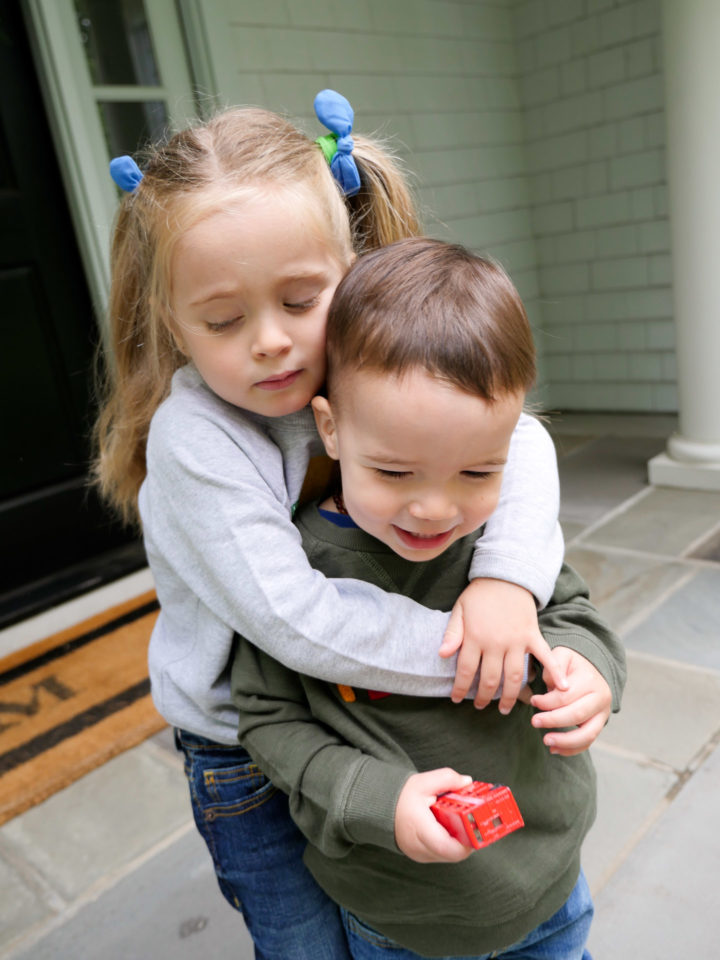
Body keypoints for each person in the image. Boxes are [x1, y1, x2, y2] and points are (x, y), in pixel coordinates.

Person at [94, 91, 567, 958]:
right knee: (308, 944)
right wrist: (474, 657)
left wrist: (507, 585)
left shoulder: (370, 347)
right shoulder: (197, 438)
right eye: (225, 320)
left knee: (388, 907)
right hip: (245, 737)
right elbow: (294, 619)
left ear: (350, 263)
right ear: (173, 321)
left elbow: (520, 435)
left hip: (354, 701)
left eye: (301, 299)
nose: (271, 342)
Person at [230, 238, 627, 959]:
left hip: (550, 881)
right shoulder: (299, 569)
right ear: (332, 430)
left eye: (477, 471)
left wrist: (587, 670)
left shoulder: (503, 540)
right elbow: (266, 716)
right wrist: (374, 797)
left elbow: (574, 611)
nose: (434, 509)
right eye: (395, 471)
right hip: (401, 916)